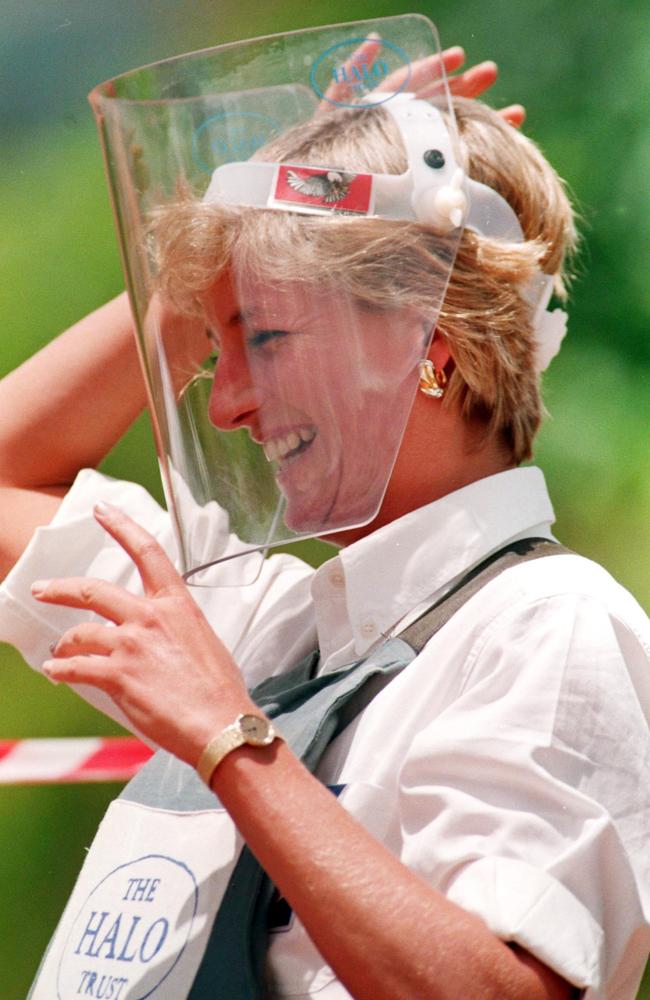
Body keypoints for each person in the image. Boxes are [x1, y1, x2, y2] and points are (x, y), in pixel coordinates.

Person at [0, 22, 648, 1000]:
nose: (221, 404)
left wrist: (228, 739)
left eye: (263, 337)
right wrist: (227, 251)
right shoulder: (266, 625)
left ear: (426, 341)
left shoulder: (549, 625)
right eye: (214, 353)